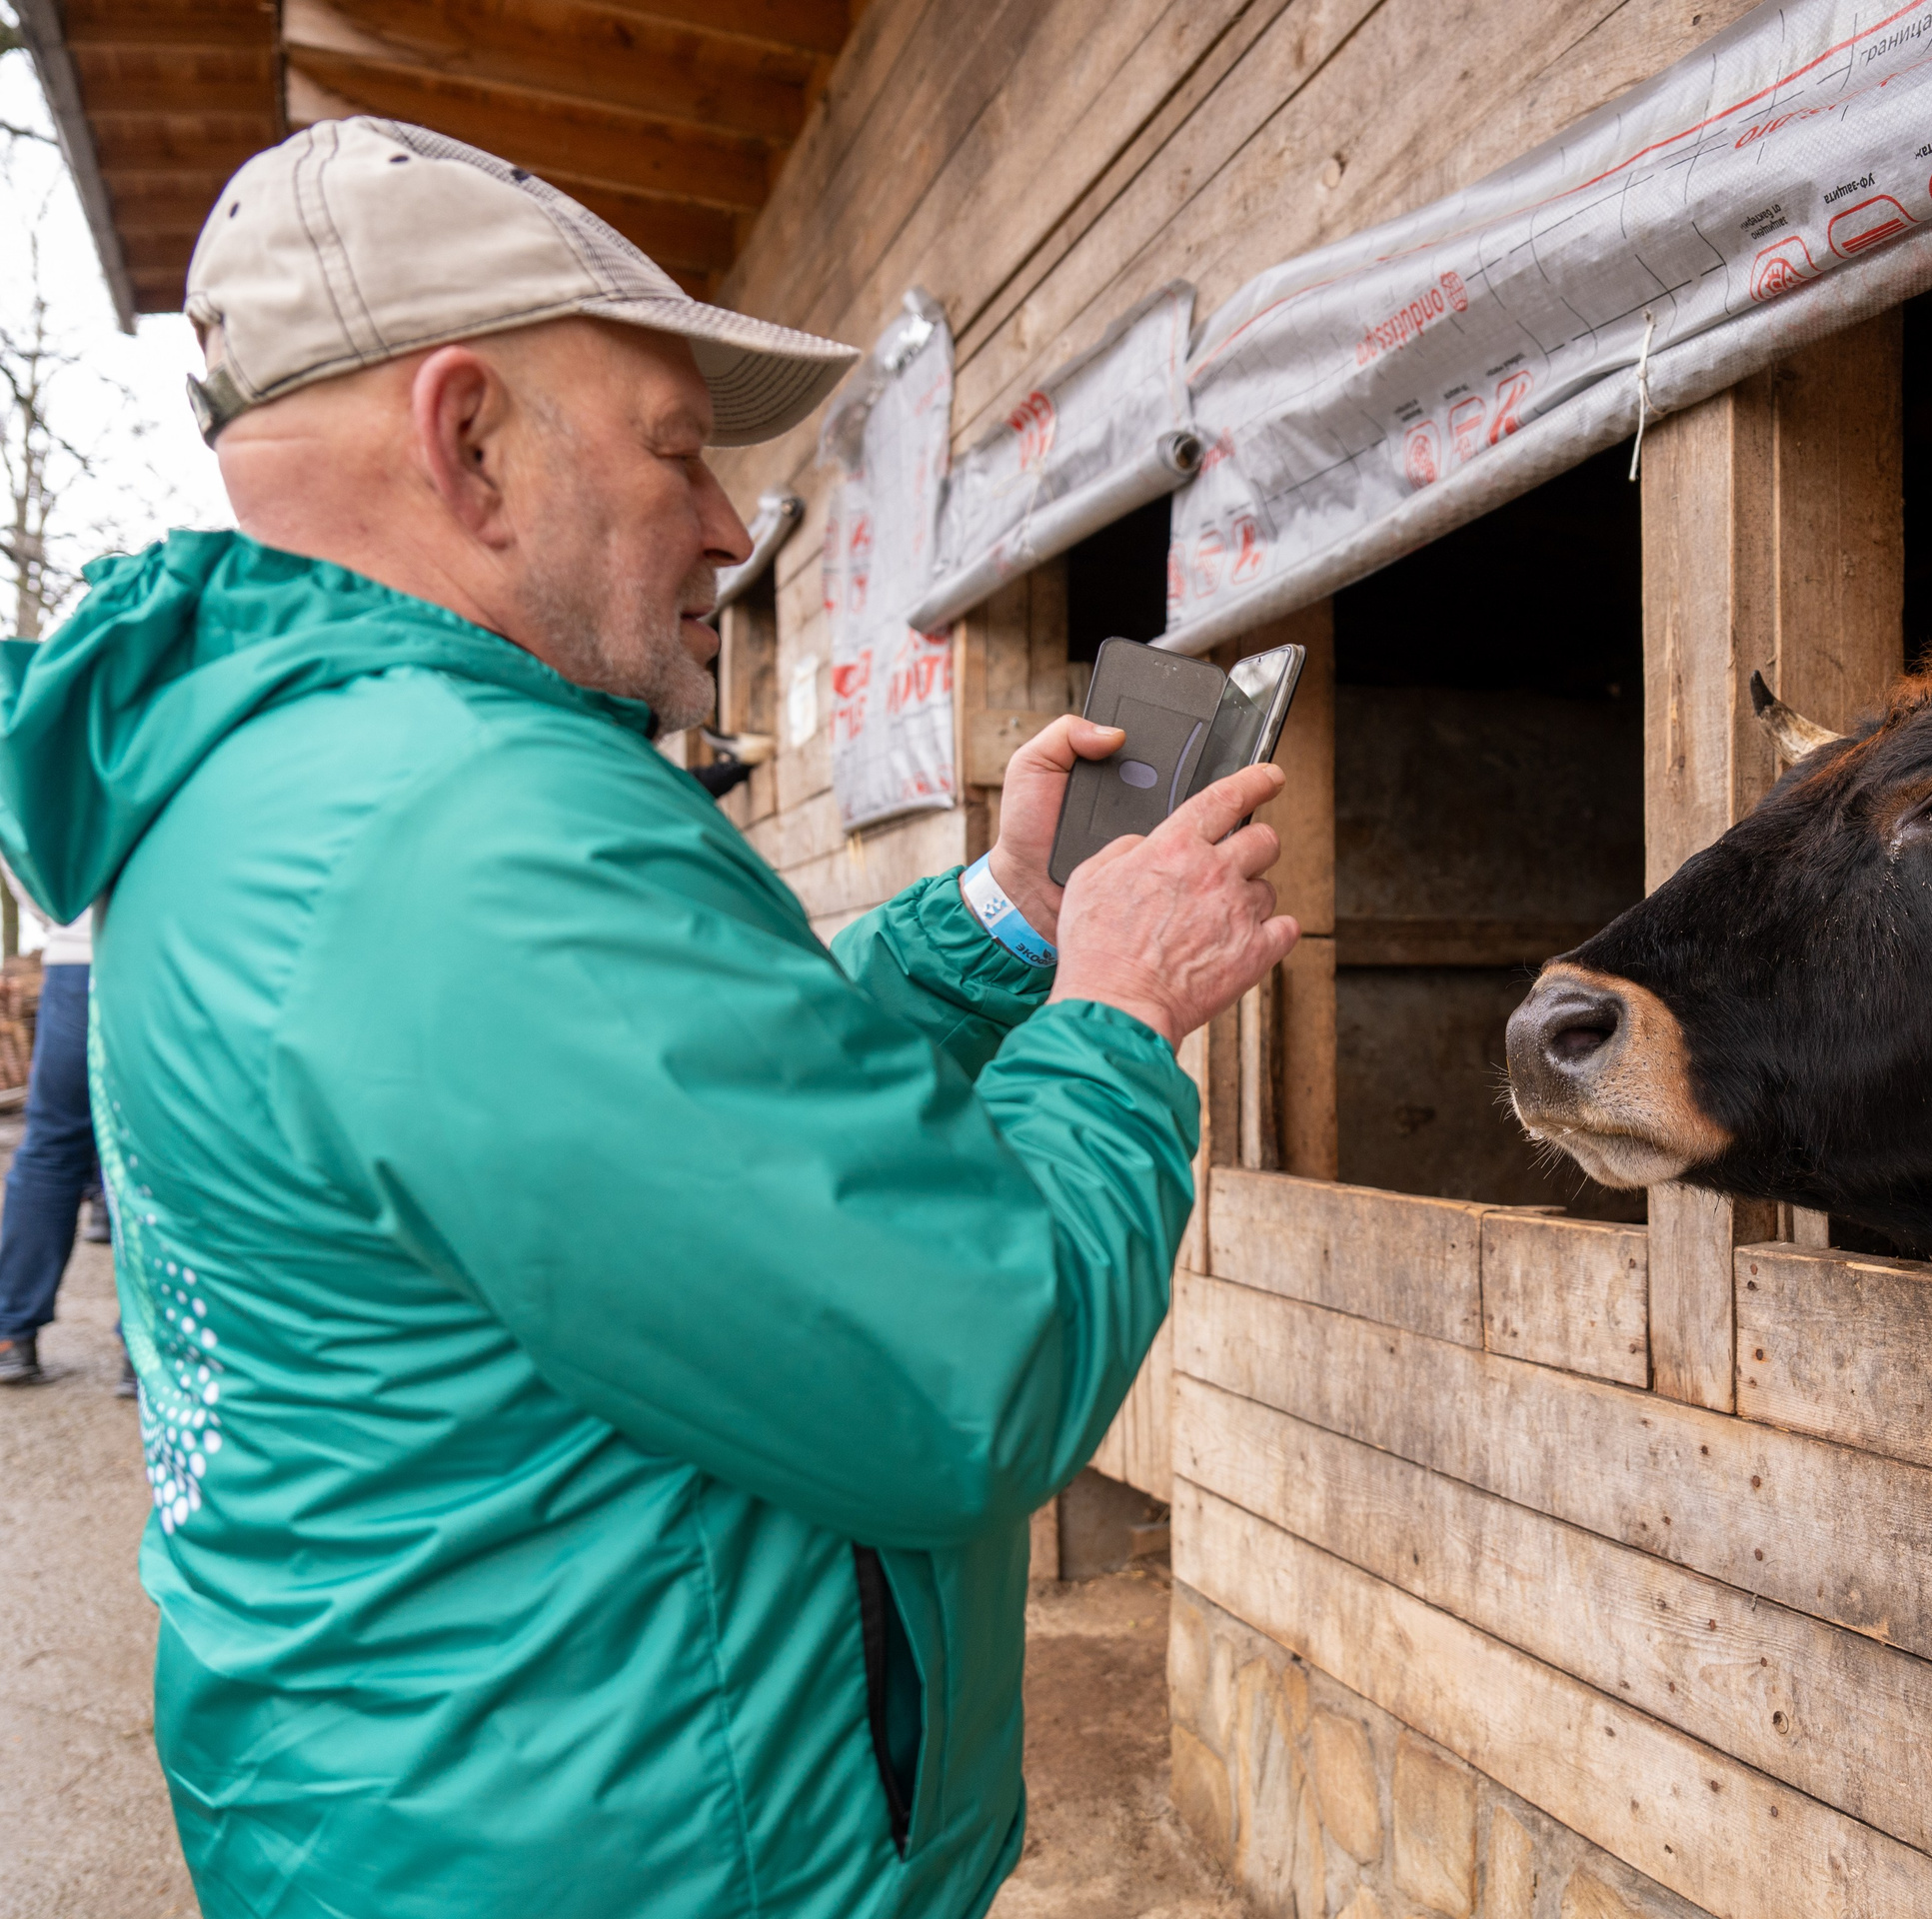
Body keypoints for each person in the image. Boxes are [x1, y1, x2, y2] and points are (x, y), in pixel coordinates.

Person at [0, 118, 1296, 1919]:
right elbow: (975, 1364)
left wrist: (1009, 923)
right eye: (679, 448)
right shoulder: (469, 837)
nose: (726, 522)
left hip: (430, 1805)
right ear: (468, 443)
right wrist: (1118, 1014)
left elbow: (692, 1142)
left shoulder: (281, 780)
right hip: (646, 1856)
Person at [0, 889, 96, 1387]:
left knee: (52, 1143)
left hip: (75, 953)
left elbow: (25, 846)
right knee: (158, 1147)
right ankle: (146, 1352)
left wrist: (60, 914)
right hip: (169, 953)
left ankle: (11, 1332)